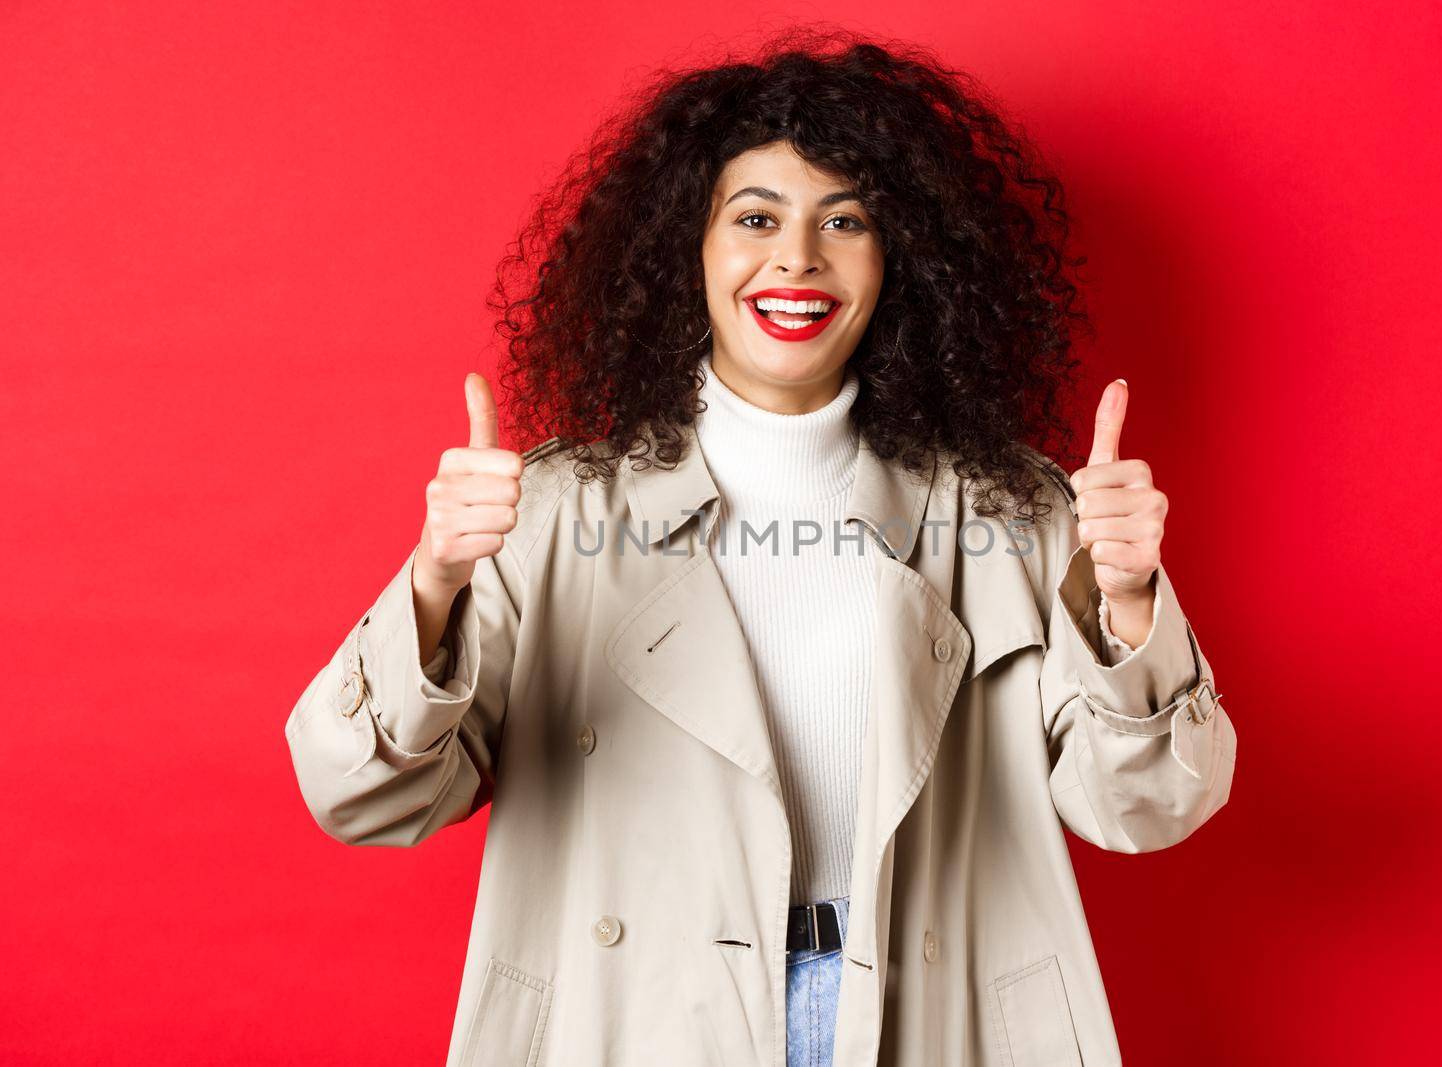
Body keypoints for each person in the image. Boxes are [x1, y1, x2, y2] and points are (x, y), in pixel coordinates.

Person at [285, 31, 1236, 1067]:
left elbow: (1147, 806)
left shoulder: (1014, 514)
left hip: (928, 1021)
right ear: (682, 251)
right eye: (754, 219)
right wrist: (433, 585)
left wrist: (1130, 601)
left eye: (845, 221)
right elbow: (361, 795)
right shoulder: (550, 515)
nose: (797, 258)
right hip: (640, 1020)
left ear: (899, 262)